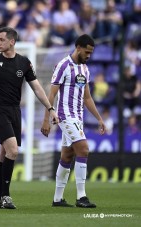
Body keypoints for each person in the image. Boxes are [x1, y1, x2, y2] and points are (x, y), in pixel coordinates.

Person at [0, 26, 59, 209]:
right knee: (13, 151)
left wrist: (50, 108)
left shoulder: (24, 63)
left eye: (1, 39)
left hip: (15, 112)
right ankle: (6, 196)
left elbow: (37, 88)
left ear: (12, 41)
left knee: (3, 157)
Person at [41, 34, 106, 208]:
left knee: (67, 155)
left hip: (78, 118)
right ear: (78, 47)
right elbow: (52, 94)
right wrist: (46, 118)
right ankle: (81, 197)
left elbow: (87, 98)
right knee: (83, 150)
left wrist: (99, 119)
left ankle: (57, 199)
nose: (89, 56)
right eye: (87, 52)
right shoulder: (63, 65)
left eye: (91, 53)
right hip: (64, 116)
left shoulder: (85, 69)